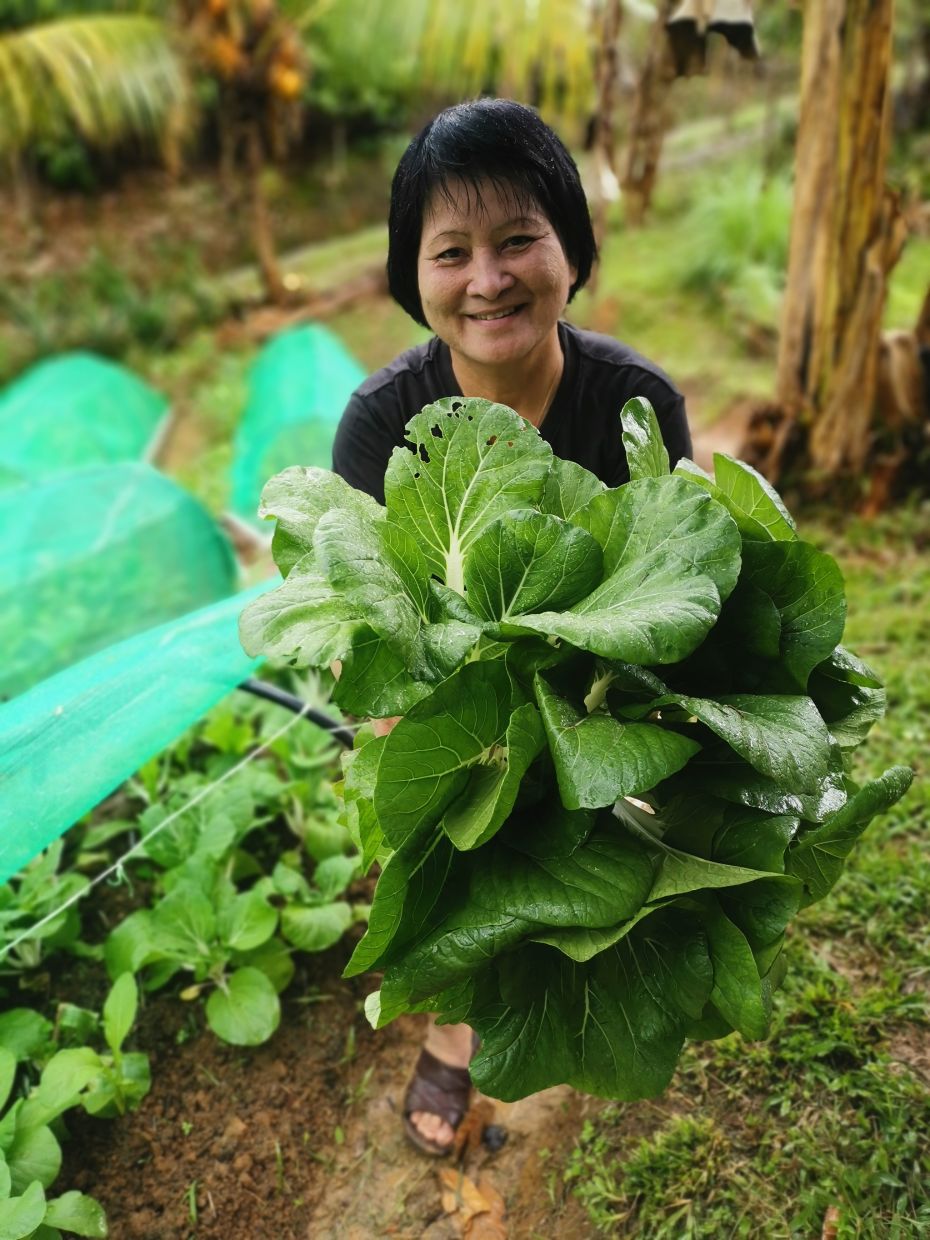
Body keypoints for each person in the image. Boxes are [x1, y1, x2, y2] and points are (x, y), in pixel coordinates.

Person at [331, 97, 692, 1156]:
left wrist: (604, 729)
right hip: (449, 722)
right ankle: (453, 1026)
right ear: (416, 279)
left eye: (519, 239)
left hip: (595, 703)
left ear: (572, 251)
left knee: (604, 860)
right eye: (452, 252)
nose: (488, 279)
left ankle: (574, 988)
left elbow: (672, 585)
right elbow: (376, 636)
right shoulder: (383, 424)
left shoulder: (636, 404)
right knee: (463, 858)